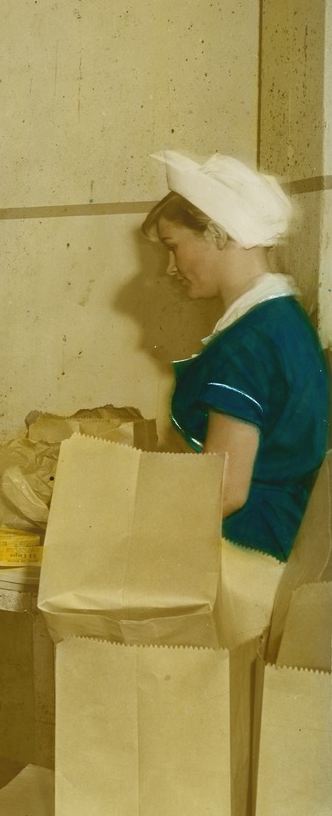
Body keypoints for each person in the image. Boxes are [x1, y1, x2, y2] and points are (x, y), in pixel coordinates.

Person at [143, 152, 329, 635]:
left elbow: (225, 491)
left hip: (243, 560)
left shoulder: (247, 343)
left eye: (173, 245)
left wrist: (128, 519)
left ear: (219, 233)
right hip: (284, 548)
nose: (169, 267)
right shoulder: (285, 321)